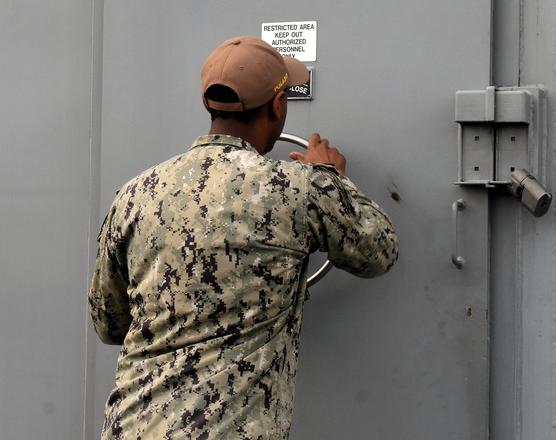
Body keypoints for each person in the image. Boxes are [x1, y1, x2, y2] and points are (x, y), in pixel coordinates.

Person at [88, 36, 398, 439]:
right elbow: (379, 250)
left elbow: (109, 324)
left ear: (208, 106)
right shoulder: (299, 190)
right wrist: (333, 181)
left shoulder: (135, 194)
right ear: (277, 105)